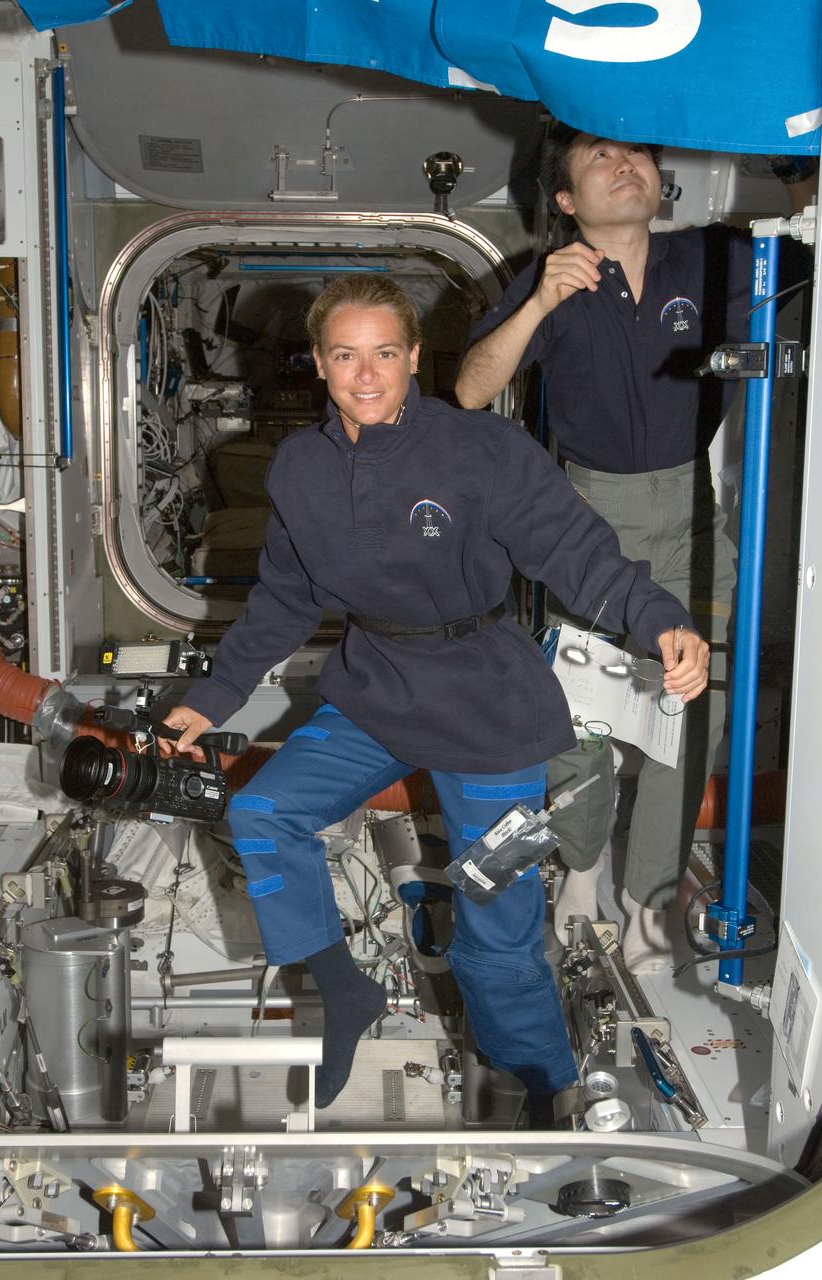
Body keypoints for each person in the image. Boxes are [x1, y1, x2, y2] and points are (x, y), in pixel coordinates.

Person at [160, 274, 709, 1120]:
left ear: (416, 357)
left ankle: (541, 1082)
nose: (367, 374)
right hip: (375, 688)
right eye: (346, 355)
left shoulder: (477, 449)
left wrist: (658, 617)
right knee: (263, 813)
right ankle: (347, 995)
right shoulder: (300, 467)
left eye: (386, 353)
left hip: (487, 700)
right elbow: (286, 596)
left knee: (497, 925)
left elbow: (575, 550)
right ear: (318, 363)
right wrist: (214, 695)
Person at [454, 124, 816, 971]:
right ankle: (581, 872)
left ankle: (649, 895)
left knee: (693, 699)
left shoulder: (713, 259)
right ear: (569, 201)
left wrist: (799, 162)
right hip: (588, 515)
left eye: (641, 154)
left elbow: (808, 237)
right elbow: (471, 390)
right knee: (579, 713)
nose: (629, 165)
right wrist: (541, 302)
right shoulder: (549, 279)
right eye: (601, 158)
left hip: (694, 507)